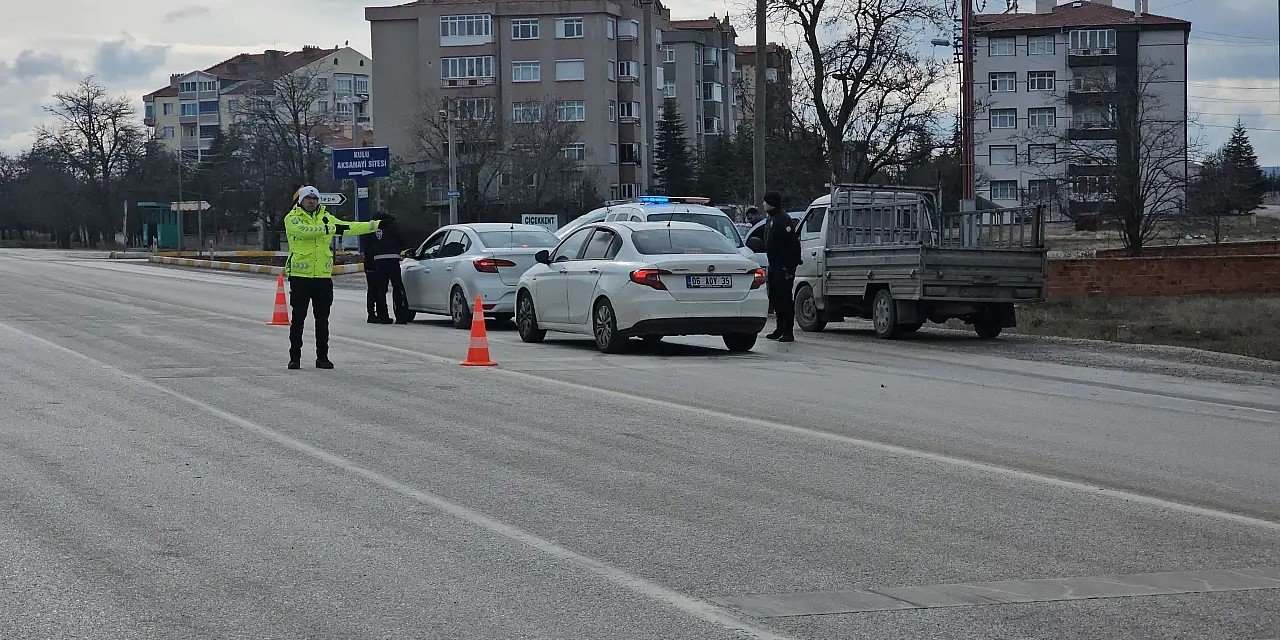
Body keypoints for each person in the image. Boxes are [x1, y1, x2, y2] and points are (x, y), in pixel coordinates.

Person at [284, 186, 381, 370]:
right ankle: (294, 357)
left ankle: (322, 357)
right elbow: (305, 231)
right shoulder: (292, 217)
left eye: (314, 198)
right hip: (300, 276)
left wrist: (376, 225)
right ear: (301, 200)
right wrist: (330, 229)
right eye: (308, 198)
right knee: (298, 319)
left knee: (322, 319)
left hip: (322, 276)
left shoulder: (326, 217)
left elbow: (350, 227)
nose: (311, 201)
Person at [762, 191, 801, 342]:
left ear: (772, 203)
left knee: (785, 298)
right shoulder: (771, 219)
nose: (763, 204)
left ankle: (788, 331)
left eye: (766, 202)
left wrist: (789, 267)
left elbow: (792, 245)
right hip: (774, 265)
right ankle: (779, 328)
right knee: (775, 297)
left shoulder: (783, 219)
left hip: (784, 267)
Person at [363, 211, 411, 324]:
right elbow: (403, 241)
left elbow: (367, 247)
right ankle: (401, 317)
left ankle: (383, 316)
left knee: (381, 290)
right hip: (393, 260)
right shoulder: (393, 227)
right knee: (397, 288)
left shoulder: (371, 229)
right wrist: (396, 250)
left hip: (378, 261)